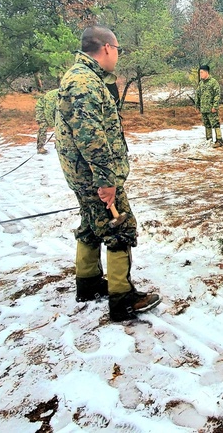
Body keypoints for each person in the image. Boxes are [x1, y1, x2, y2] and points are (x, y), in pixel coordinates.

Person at [55, 26, 161, 322]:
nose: (118, 56)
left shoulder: (81, 77)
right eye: (118, 50)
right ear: (106, 48)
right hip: (93, 173)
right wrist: (106, 181)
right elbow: (90, 137)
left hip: (82, 172)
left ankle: (88, 283)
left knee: (91, 222)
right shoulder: (84, 83)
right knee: (120, 228)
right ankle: (122, 298)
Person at [195, 65, 223, 147]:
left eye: (201, 72)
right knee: (207, 125)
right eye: (200, 73)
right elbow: (198, 95)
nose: (200, 74)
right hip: (204, 109)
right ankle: (209, 140)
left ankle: (219, 140)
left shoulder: (213, 82)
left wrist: (215, 106)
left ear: (206, 72)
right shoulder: (201, 83)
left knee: (215, 124)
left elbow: (217, 95)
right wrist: (197, 106)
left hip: (211, 109)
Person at [34, 88, 58, 154]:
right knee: (43, 126)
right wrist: (53, 126)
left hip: (54, 109)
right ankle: (40, 147)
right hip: (42, 108)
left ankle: (58, 144)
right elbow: (48, 113)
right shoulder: (53, 97)